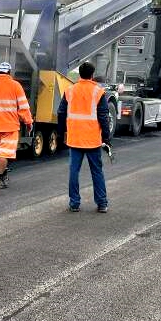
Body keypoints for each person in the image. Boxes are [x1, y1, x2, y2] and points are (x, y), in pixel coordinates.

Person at [58, 62, 112, 213]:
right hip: (92, 140)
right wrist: (106, 137)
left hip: (74, 138)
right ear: (92, 75)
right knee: (97, 171)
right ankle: (102, 203)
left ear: (80, 74)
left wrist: (61, 132)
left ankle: (74, 203)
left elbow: (61, 113)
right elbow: (103, 116)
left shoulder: (70, 90)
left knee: (74, 171)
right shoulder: (98, 92)